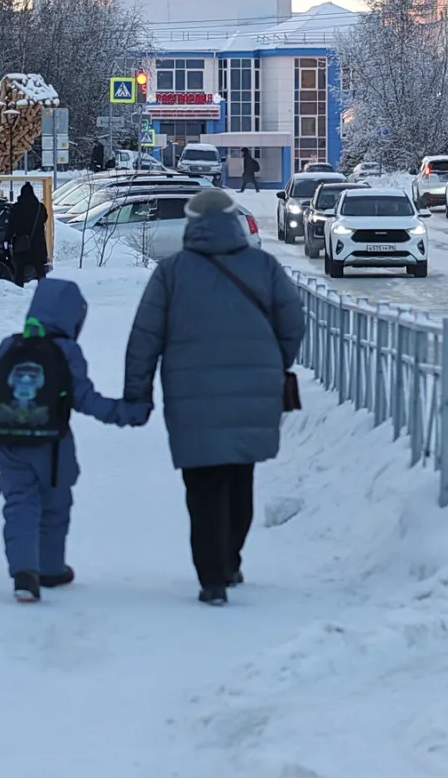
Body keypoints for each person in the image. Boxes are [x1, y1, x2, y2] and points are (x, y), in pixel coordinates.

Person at [123, 187, 304, 606]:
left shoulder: (172, 272)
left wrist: (137, 393)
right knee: (240, 478)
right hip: (254, 391)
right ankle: (231, 560)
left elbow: (144, 337)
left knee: (203, 488)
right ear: (233, 221)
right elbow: (293, 322)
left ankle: (212, 579)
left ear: (192, 223)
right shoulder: (264, 266)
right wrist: (275, 362)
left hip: (191, 396)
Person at [0, 279, 151, 603]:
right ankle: (51, 569)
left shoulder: (9, 345)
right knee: (55, 504)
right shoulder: (66, 351)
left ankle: (24, 572)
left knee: (19, 504)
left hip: (8, 442)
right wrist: (126, 413)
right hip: (51, 445)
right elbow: (84, 399)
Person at [5, 182, 50, 285]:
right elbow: (44, 219)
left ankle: (19, 290)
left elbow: (11, 225)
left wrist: (7, 239)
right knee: (40, 270)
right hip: (37, 245)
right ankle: (44, 290)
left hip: (22, 244)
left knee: (19, 270)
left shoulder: (16, 208)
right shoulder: (40, 207)